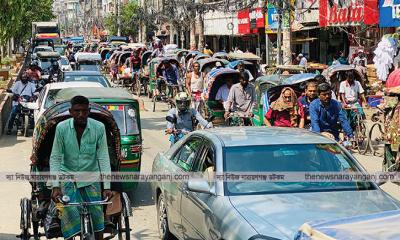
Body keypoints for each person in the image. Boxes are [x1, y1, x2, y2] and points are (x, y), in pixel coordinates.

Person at [50, 96, 113, 240]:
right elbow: (55, 157)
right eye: (77, 111)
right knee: (69, 215)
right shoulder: (62, 128)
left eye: (84, 111)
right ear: (70, 111)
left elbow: (103, 157)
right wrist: (55, 185)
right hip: (68, 177)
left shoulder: (99, 127)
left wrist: (107, 186)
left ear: (89, 111)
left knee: (98, 220)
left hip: (91, 178)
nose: (81, 114)